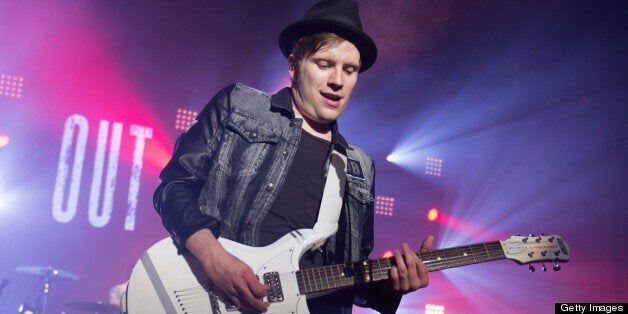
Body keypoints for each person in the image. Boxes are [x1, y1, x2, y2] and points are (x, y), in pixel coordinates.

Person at [153, 0, 433, 312]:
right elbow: (173, 187)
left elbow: (348, 278)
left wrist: (394, 287)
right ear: (293, 64)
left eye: (349, 70)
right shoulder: (239, 106)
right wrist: (214, 258)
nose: (338, 81)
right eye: (324, 64)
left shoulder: (360, 167)